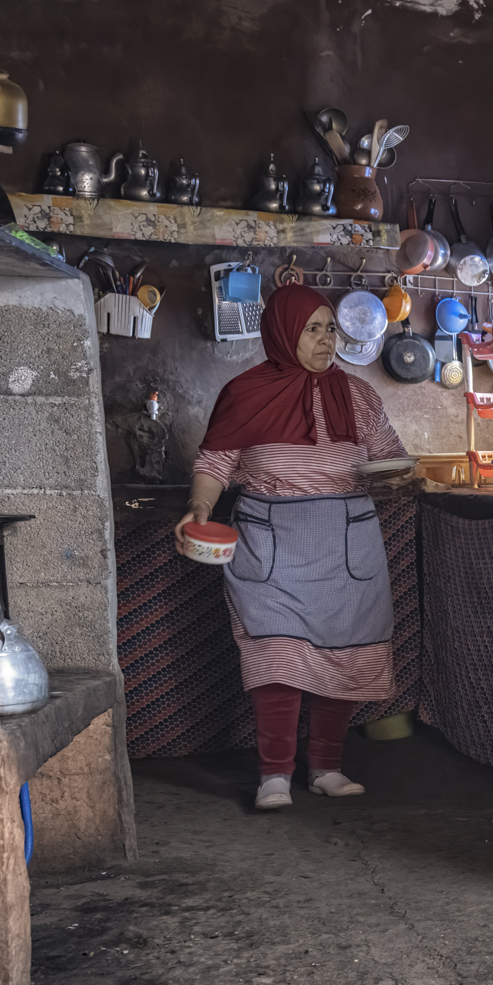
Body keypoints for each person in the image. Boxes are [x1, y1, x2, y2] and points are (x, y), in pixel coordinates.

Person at [183, 286, 406, 810]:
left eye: (331, 328)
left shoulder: (358, 395)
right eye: (314, 329)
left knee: (345, 656)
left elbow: (390, 457)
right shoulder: (245, 392)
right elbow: (215, 462)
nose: (327, 339)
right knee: (275, 657)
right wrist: (199, 509)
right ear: (284, 332)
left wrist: (400, 478)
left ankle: (327, 766)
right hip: (271, 544)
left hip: (347, 540)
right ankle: (274, 776)